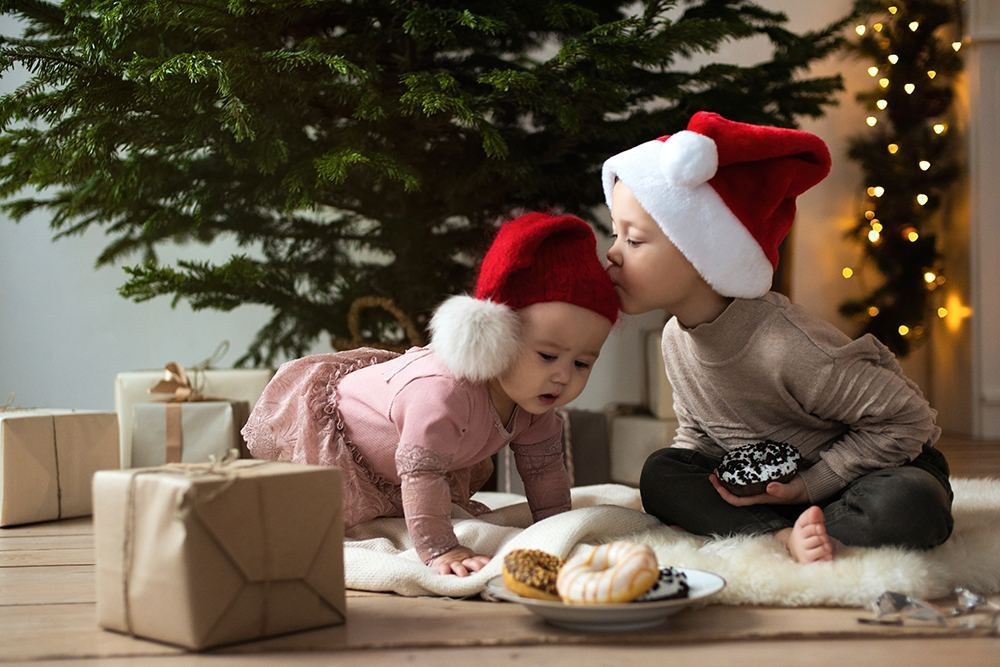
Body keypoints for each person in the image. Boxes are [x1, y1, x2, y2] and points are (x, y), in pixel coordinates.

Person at [602, 111, 953, 563]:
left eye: (633, 240)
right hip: (773, 488)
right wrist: (699, 488)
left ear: (699, 253)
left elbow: (908, 422)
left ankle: (811, 529)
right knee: (661, 473)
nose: (612, 253)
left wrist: (811, 485)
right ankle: (782, 537)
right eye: (616, 234)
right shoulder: (675, 339)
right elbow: (698, 434)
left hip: (864, 472)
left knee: (909, 502)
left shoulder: (785, 346)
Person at [243, 211, 619, 576]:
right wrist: (442, 548)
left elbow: (545, 471)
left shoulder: (535, 403)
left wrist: (560, 534)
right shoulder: (443, 394)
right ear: (496, 336)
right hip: (343, 437)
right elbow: (422, 473)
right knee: (292, 520)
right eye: (548, 355)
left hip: (409, 461)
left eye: (582, 363)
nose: (563, 377)